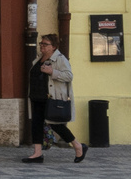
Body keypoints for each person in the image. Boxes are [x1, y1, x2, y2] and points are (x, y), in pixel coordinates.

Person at [25, 33, 86, 163]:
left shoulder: (60, 59)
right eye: (41, 43)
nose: (42, 46)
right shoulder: (39, 59)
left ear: (53, 47)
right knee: (36, 124)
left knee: (56, 124)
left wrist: (52, 72)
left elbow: (69, 76)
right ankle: (37, 153)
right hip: (37, 97)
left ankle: (77, 145)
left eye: (45, 44)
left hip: (51, 98)